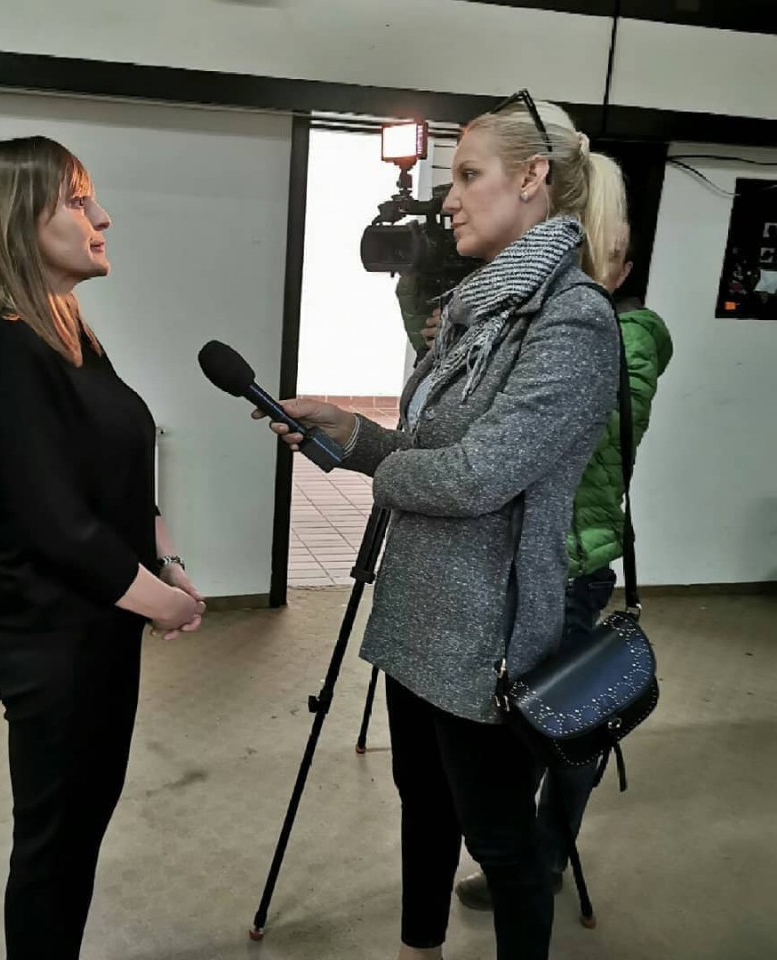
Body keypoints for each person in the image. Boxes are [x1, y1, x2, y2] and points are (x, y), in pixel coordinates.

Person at [258, 92, 627, 960]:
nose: (448, 199)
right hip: (422, 611)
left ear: (532, 178)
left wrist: (382, 474)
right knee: (422, 804)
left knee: (502, 843)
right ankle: (417, 947)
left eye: (466, 175)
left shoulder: (571, 320)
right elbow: (429, 450)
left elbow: (477, 477)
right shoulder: (477, 309)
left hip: (483, 631)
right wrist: (353, 435)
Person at [0, 136, 206, 960]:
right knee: (55, 843)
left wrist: (167, 561)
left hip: (100, 625)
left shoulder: (68, 334)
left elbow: (115, 472)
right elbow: (56, 525)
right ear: (19, 219)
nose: (103, 217)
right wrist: (165, 606)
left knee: (79, 826)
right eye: (80, 201)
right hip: (52, 637)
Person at [449, 223, 674, 911]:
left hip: (571, 558)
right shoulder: (531, 322)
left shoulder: (627, 337)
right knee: (518, 717)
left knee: (566, 718)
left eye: (599, 254)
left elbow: (575, 433)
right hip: (519, 553)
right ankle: (523, 853)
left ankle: (541, 859)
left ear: (623, 271)